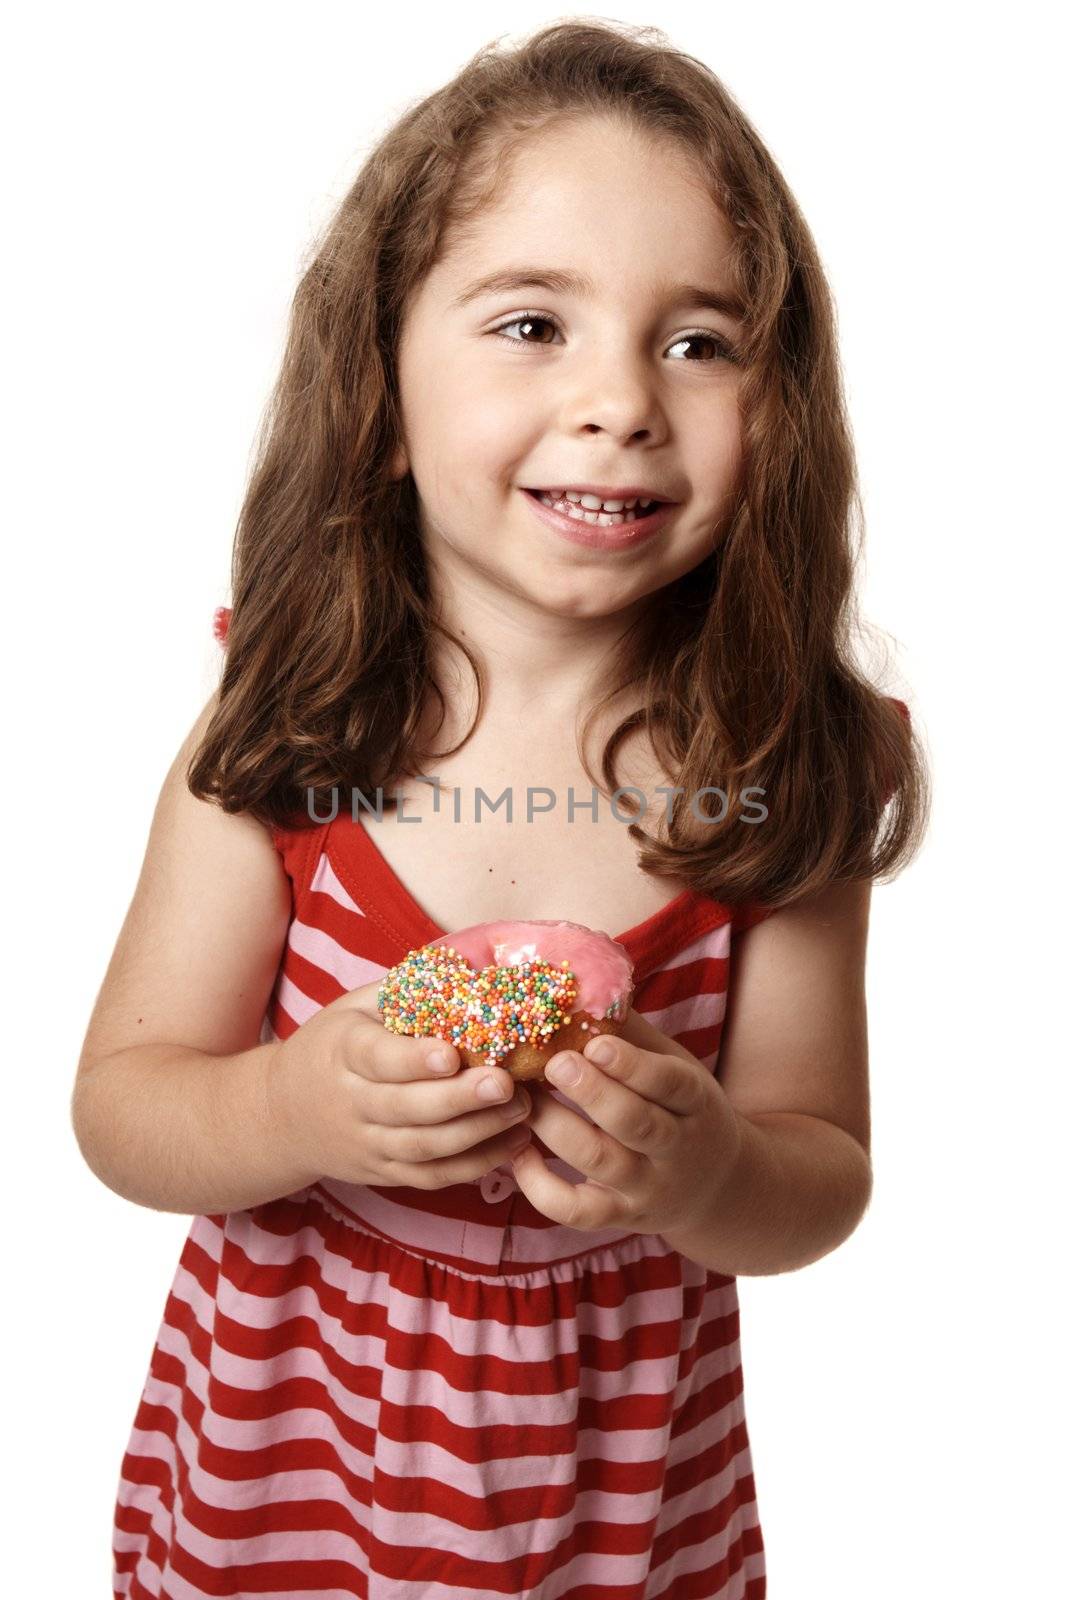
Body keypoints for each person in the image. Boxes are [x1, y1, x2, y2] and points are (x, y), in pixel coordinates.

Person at [73, 19, 928, 1600]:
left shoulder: (781, 763)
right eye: (534, 322)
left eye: (700, 342)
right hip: (292, 1482)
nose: (621, 400)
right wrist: (303, 1107)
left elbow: (823, 1172)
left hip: (618, 1505)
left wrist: (710, 1168)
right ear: (384, 396)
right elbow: (123, 1109)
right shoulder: (290, 731)